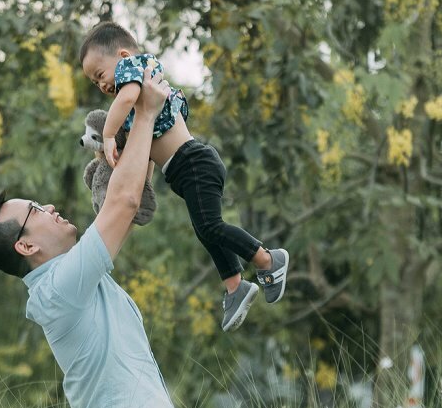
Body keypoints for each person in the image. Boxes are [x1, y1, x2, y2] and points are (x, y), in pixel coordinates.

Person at [0, 68, 178, 408]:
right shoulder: (57, 290)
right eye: (35, 211)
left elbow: (126, 198)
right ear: (26, 246)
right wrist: (143, 115)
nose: (49, 207)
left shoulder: (71, 281)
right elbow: (122, 203)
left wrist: (127, 141)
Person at [78, 21, 290, 332]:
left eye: (100, 75)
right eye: (94, 83)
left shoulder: (134, 71)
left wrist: (109, 135)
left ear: (122, 56)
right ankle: (235, 287)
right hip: (186, 168)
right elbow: (144, 150)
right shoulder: (142, 95)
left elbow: (123, 101)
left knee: (210, 225)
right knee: (205, 230)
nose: (102, 86)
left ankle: (269, 261)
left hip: (193, 162)